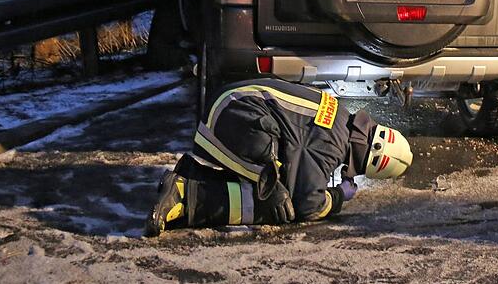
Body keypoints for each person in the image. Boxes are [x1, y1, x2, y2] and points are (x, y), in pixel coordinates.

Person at [145, 79, 413, 235]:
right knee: (281, 206)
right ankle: (185, 196)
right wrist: (339, 196)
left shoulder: (340, 121)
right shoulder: (332, 144)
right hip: (233, 117)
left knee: (279, 185)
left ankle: (194, 177)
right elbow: (309, 205)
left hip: (233, 111)